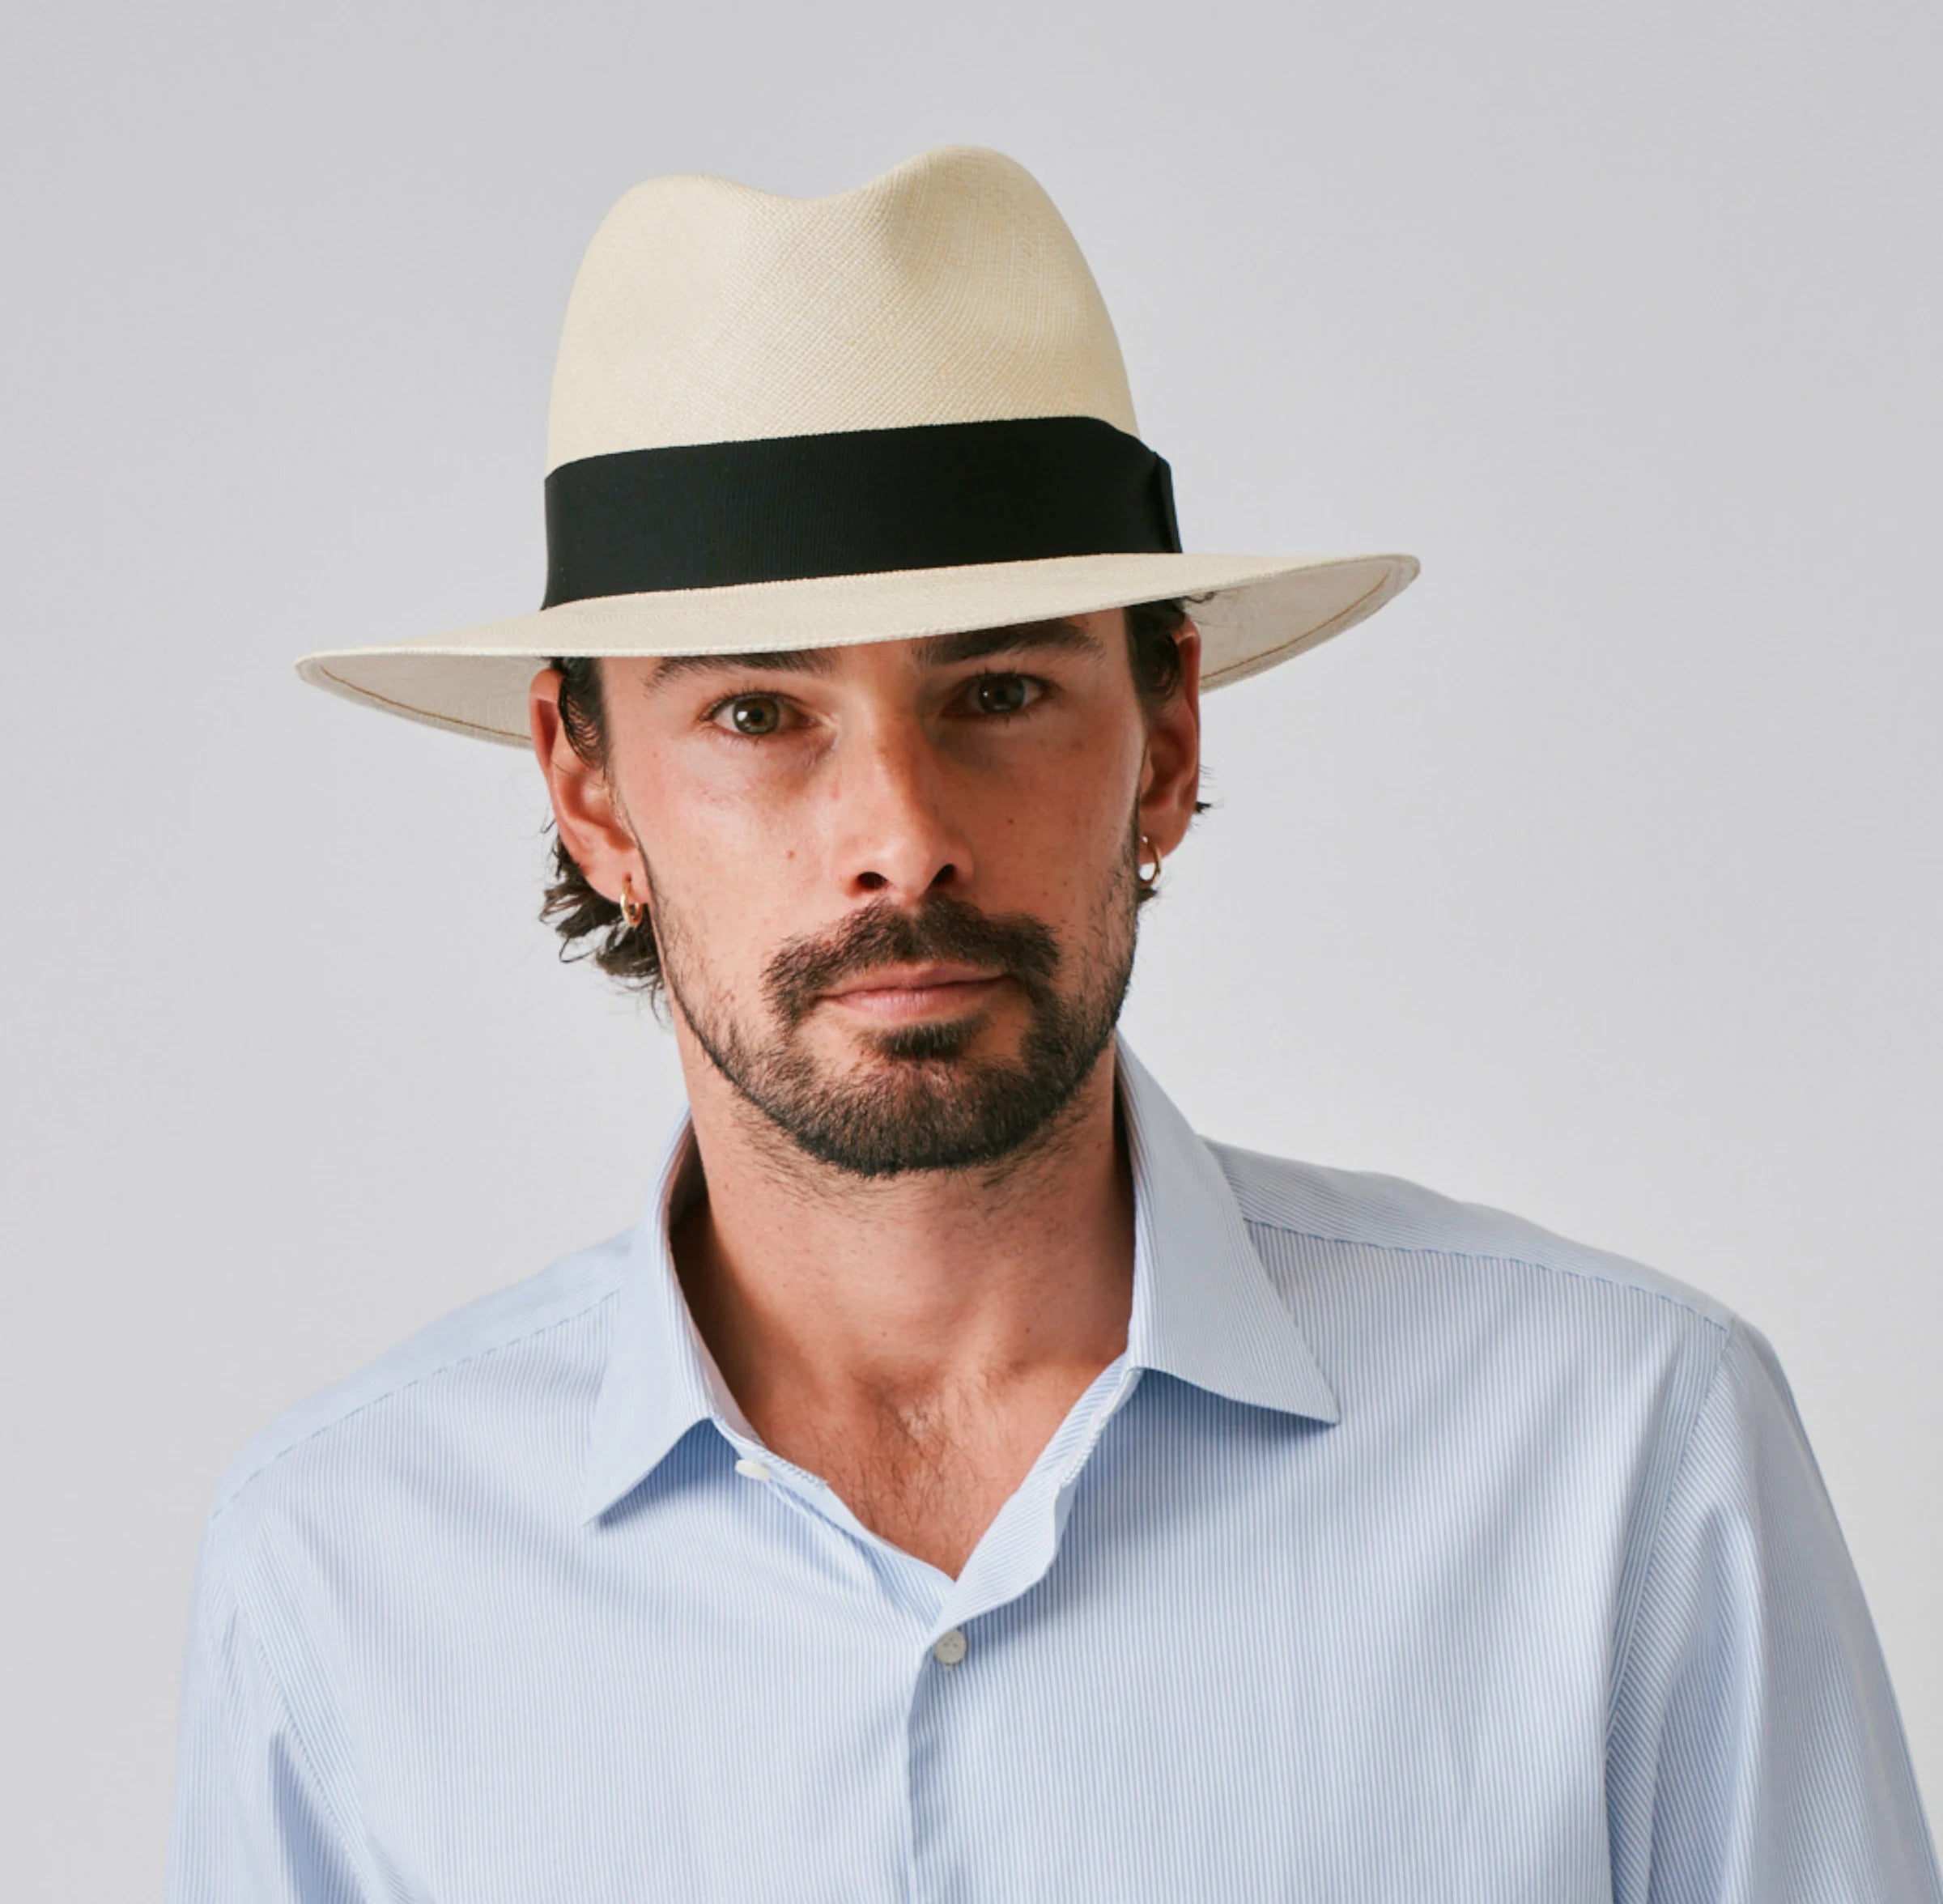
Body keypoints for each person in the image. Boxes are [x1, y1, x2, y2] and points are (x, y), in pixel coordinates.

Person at [167, 146, 1940, 1902]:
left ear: (1166, 738)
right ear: (589, 784)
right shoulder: (346, 1572)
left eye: (1000, 690)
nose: (900, 837)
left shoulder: (1619, 1457)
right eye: (761, 715)